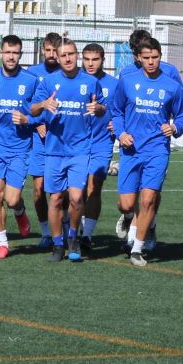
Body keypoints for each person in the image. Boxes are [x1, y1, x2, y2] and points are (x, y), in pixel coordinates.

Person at [108, 33, 183, 266]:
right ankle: (131, 220)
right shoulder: (127, 81)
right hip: (131, 150)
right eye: (147, 57)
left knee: (149, 199)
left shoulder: (172, 86)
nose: (151, 61)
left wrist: (174, 127)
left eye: (155, 56)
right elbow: (117, 110)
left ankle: (137, 248)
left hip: (157, 150)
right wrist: (121, 134)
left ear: (160, 57)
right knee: (126, 204)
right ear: (139, 58)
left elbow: (182, 114)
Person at [34, 40, 109, 262]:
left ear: (77, 55)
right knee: (56, 198)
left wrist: (98, 109)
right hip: (54, 150)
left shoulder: (90, 82)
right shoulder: (48, 82)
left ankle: (73, 236)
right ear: (56, 58)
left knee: (76, 198)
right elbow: (32, 107)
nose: (67, 58)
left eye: (71, 54)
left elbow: (103, 109)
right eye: (63, 55)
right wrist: (43, 105)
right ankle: (58, 245)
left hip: (80, 150)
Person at [0, 34, 41, 259]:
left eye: (15, 53)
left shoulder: (31, 81)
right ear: (1, 54)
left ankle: (20, 212)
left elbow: (40, 117)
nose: (11, 57)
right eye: (7, 52)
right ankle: (2, 243)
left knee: (12, 198)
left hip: (19, 148)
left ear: (20, 55)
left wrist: (27, 121)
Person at [27, 32, 66, 249]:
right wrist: (37, 122)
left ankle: (67, 227)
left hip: (62, 141)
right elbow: (27, 106)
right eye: (48, 50)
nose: (51, 55)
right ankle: (45, 233)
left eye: (55, 51)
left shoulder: (68, 73)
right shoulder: (32, 74)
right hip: (39, 141)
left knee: (63, 192)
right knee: (39, 188)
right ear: (42, 50)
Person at [78, 43, 116, 248]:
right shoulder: (75, 81)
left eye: (95, 59)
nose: (90, 64)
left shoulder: (115, 84)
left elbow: (123, 109)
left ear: (103, 60)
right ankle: (77, 227)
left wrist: (117, 123)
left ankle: (87, 237)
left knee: (94, 187)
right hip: (77, 143)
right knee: (77, 189)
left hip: (102, 143)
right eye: (87, 59)